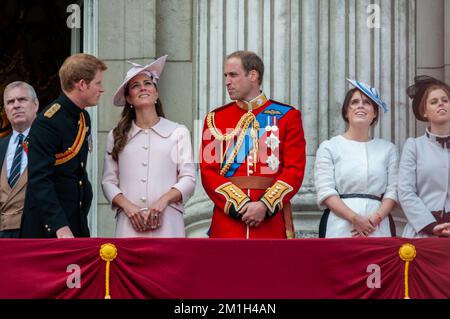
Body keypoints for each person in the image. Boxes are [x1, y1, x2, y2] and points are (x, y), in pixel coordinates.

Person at [200, 50, 306, 239]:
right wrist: (240, 205)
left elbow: (294, 170)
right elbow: (209, 172)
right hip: (229, 222)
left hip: (270, 221)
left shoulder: (288, 116)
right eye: (225, 76)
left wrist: (265, 205)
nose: (227, 82)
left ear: (253, 75)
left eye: (233, 75)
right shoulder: (215, 119)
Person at [102, 55, 196, 237]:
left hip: (168, 224)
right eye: (135, 86)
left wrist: (163, 202)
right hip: (129, 225)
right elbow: (108, 182)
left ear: (156, 93)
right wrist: (129, 208)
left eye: (148, 83)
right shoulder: (116, 135)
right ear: (129, 98)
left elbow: (189, 178)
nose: (143, 88)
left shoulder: (178, 131)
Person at [20, 53, 107, 238]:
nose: (102, 89)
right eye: (98, 83)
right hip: (50, 228)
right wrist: (59, 225)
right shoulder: (48, 123)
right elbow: (40, 180)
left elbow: (78, 174)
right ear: (82, 84)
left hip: (74, 220)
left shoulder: (83, 117)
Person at [314, 79, 398, 238]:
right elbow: (326, 190)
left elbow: (393, 191)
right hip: (340, 224)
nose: (360, 105)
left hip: (378, 227)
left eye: (367, 102)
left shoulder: (388, 149)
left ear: (374, 113)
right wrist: (354, 218)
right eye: (354, 102)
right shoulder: (329, 147)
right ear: (346, 111)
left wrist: (376, 218)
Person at [398, 75, 450, 238]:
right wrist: (431, 226)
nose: (441, 103)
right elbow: (405, 191)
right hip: (423, 233)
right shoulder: (414, 146)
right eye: (434, 102)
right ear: (424, 112)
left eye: (445, 100)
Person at [0, 81, 38, 238]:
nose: (16, 105)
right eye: (10, 102)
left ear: (35, 105)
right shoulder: (1, 146)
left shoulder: (49, 144)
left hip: (36, 233)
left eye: (22, 100)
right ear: (6, 111)